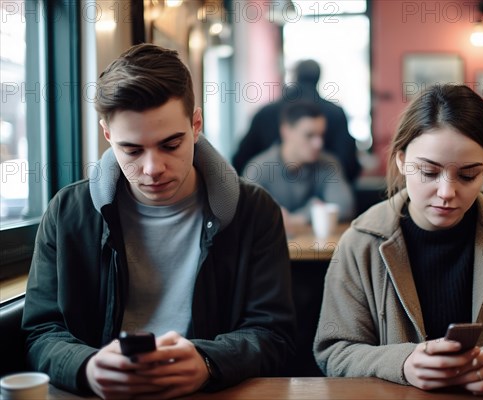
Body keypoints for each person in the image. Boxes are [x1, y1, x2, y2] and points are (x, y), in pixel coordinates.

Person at [21, 44, 295, 399]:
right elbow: (41, 331)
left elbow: (274, 334)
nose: (152, 169)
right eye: (132, 150)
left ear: (196, 124)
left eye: (170, 144)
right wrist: (86, 366)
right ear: (107, 135)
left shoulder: (254, 210)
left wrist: (208, 362)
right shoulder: (67, 212)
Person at [313, 84, 483, 395]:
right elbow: (334, 351)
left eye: (468, 175)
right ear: (401, 161)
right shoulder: (362, 241)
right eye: (428, 172)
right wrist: (402, 363)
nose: (447, 193)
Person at [232, 59, 361, 183]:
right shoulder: (336, 113)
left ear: (294, 76)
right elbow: (349, 164)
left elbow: (240, 160)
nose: (317, 144)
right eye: (309, 135)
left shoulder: (265, 112)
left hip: (323, 189)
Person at [243, 102, 354, 235]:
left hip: (316, 250)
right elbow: (248, 216)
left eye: (321, 135)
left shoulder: (328, 163)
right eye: (309, 135)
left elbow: (344, 206)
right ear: (286, 132)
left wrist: (292, 219)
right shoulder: (258, 168)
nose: (319, 143)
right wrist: (314, 208)